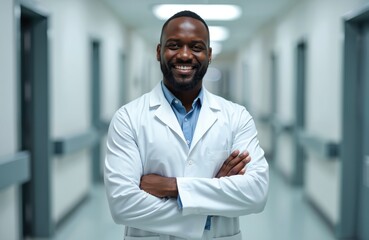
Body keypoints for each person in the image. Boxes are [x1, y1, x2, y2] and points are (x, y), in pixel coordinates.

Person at [104, 10, 269, 240]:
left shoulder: (236, 117)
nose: (184, 55)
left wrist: (172, 187)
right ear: (159, 51)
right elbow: (123, 205)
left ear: (209, 55)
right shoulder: (128, 118)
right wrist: (211, 201)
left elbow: (255, 193)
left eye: (196, 47)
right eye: (174, 45)